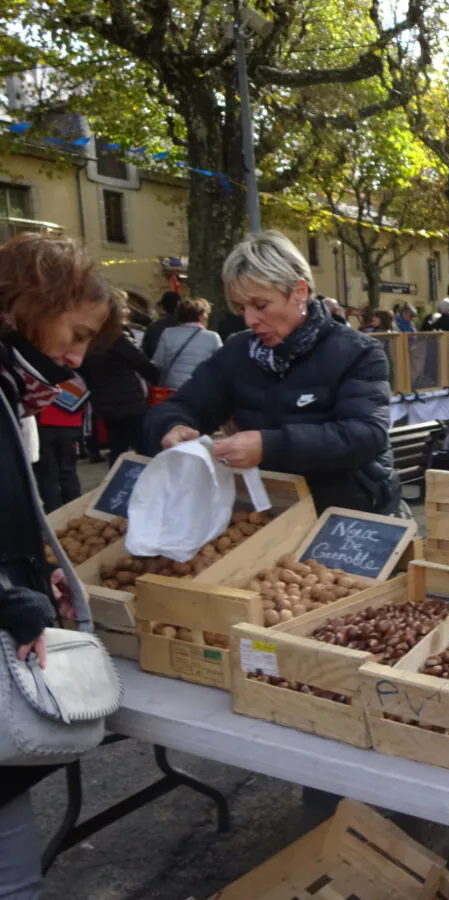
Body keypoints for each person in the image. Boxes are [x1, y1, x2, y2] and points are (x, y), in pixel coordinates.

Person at [0, 233, 121, 900]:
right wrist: (14, 600)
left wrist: (32, 563)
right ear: (31, 302)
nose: (75, 357)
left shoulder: (11, 387)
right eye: (74, 334)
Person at [146, 231, 395, 515]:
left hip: (343, 513)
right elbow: (185, 404)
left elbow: (365, 434)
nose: (250, 319)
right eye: (242, 308)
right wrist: (172, 426)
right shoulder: (238, 351)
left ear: (299, 292)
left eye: (260, 305)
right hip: (267, 511)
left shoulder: (358, 352)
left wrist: (270, 445)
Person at [79, 301, 159, 462]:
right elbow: (139, 361)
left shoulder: (90, 339)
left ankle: (118, 483)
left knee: (117, 449)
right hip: (129, 401)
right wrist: (156, 375)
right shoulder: (116, 338)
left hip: (104, 401)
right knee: (144, 448)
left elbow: (85, 371)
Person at [34, 375, 88, 512]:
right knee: (68, 471)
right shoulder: (77, 380)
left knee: (48, 474)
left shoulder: (42, 377)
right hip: (70, 429)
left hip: (45, 428)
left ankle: (52, 510)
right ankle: (74, 507)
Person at [151, 297, 223, 392]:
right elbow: (221, 366)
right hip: (199, 390)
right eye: (205, 313)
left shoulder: (167, 333)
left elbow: (158, 362)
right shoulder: (213, 337)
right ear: (201, 316)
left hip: (171, 389)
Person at [140, 289, 181, 360]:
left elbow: (145, 351)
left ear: (163, 306)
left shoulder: (153, 326)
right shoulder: (184, 326)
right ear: (179, 305)